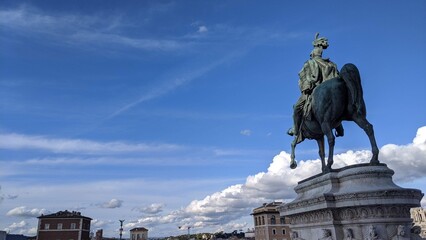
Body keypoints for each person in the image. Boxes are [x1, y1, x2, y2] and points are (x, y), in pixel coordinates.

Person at [288, 33, 343, 141]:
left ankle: (296, 128)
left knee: (297, 108)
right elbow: (303, 77)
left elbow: (303, 77)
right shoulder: (327, 64)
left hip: (316, 90)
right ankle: (339, 127)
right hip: (318, 89)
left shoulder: (322, 64)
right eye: (324, 42)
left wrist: (307, 86)